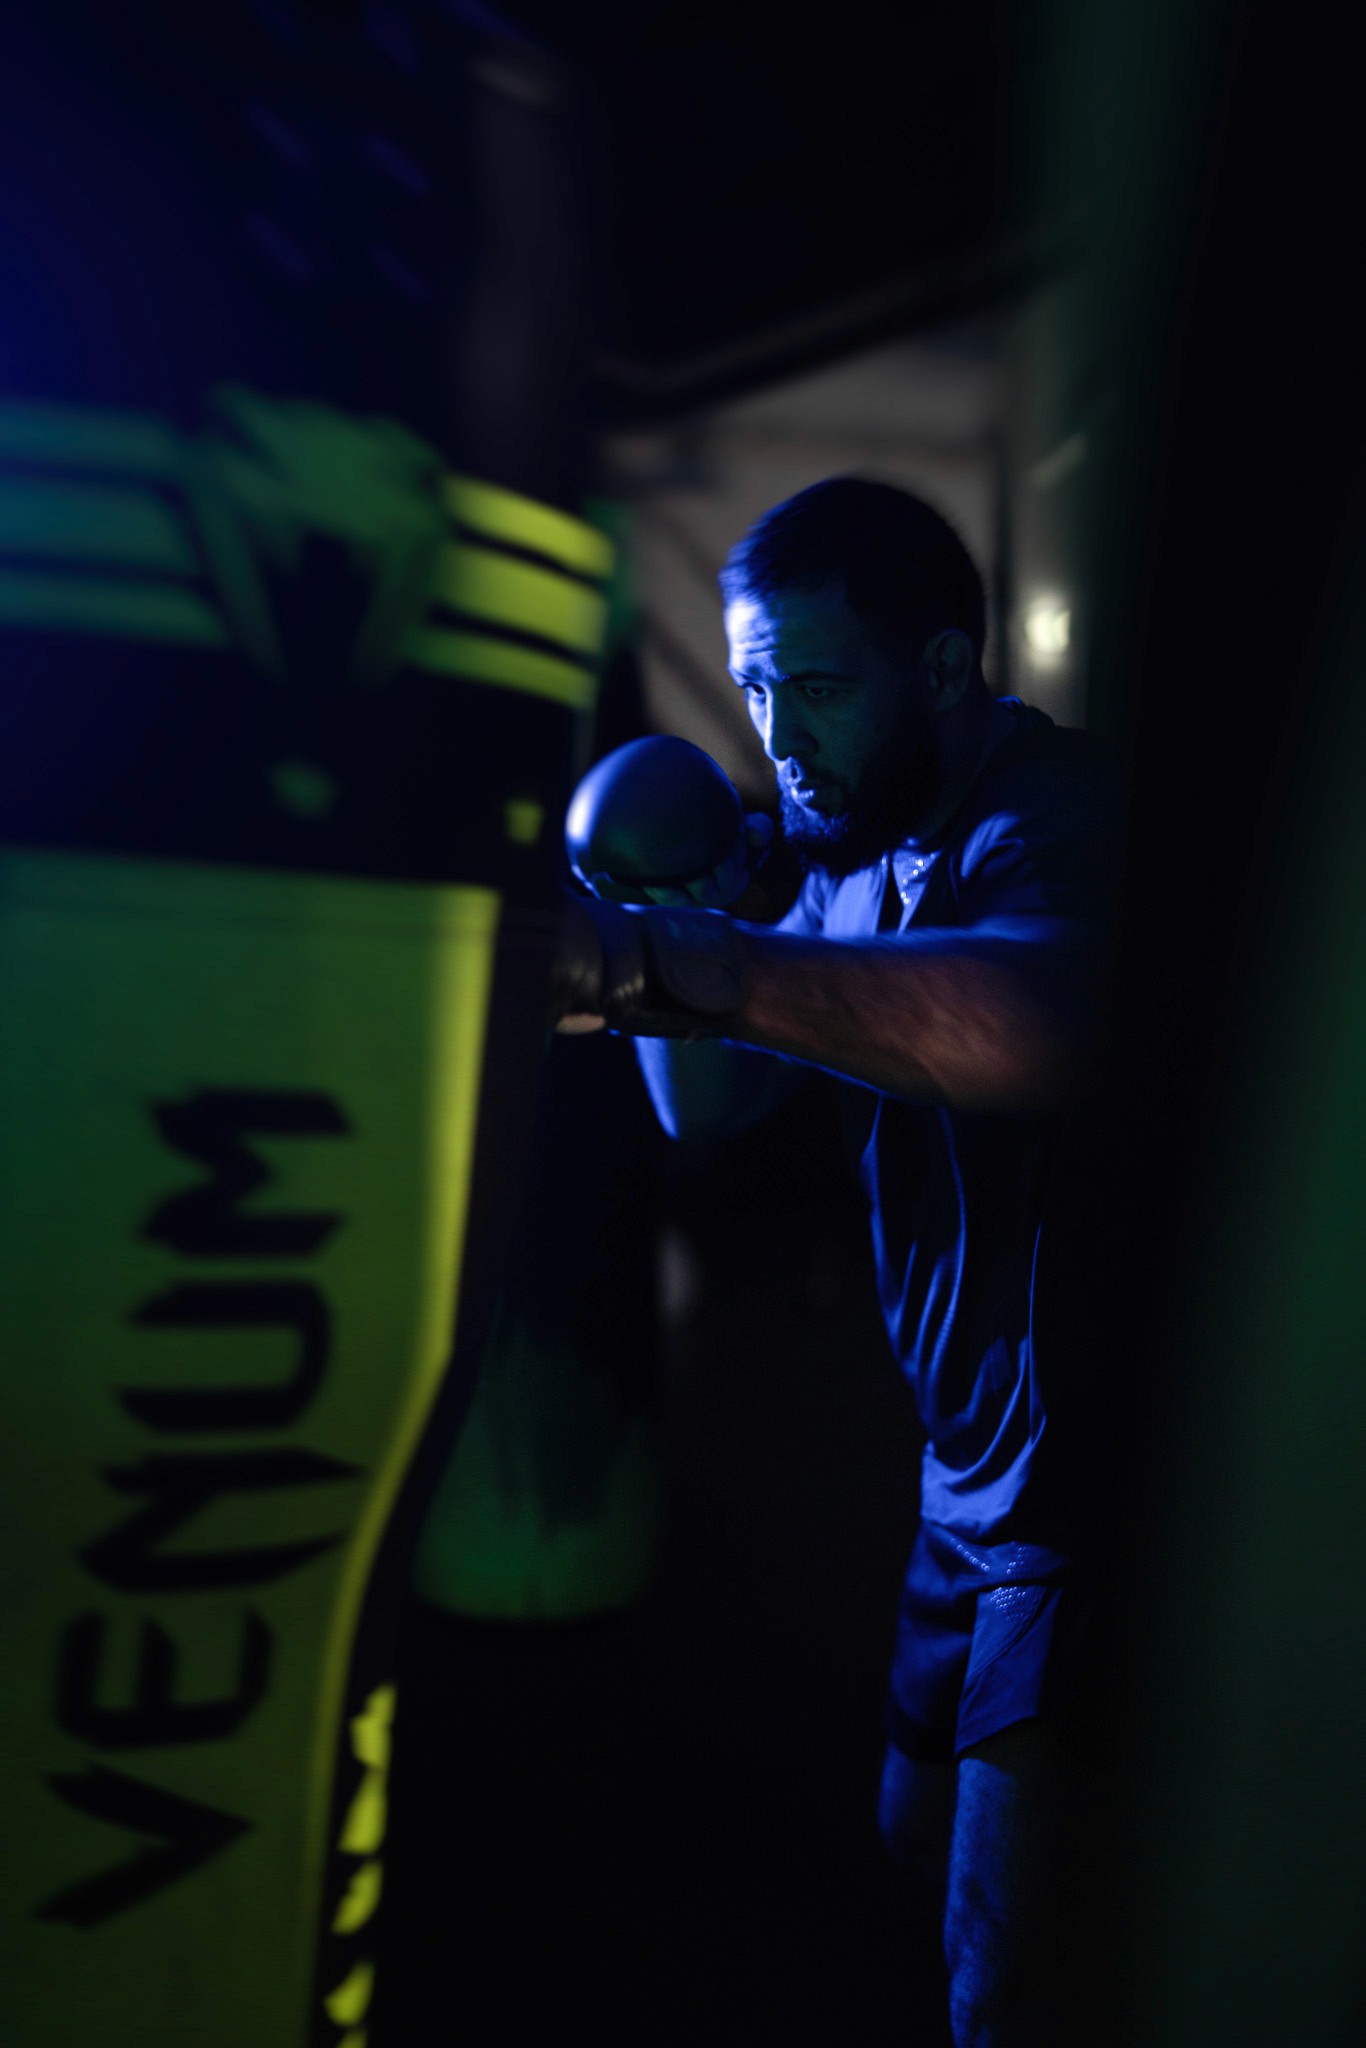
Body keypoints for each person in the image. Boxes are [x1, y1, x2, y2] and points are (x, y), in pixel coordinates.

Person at [553, 477, 1113, 2047]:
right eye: (750, 686)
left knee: (1006, 1983)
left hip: (1091, 1497)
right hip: (966, 1490)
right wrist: (663, 903)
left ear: (939, 670)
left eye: (812, 683)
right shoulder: (845, 845)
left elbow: (1027, 1017)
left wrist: (653, 959)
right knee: (901, 1855)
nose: (776, 730)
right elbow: (710, 1107)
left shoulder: (1048, 814)